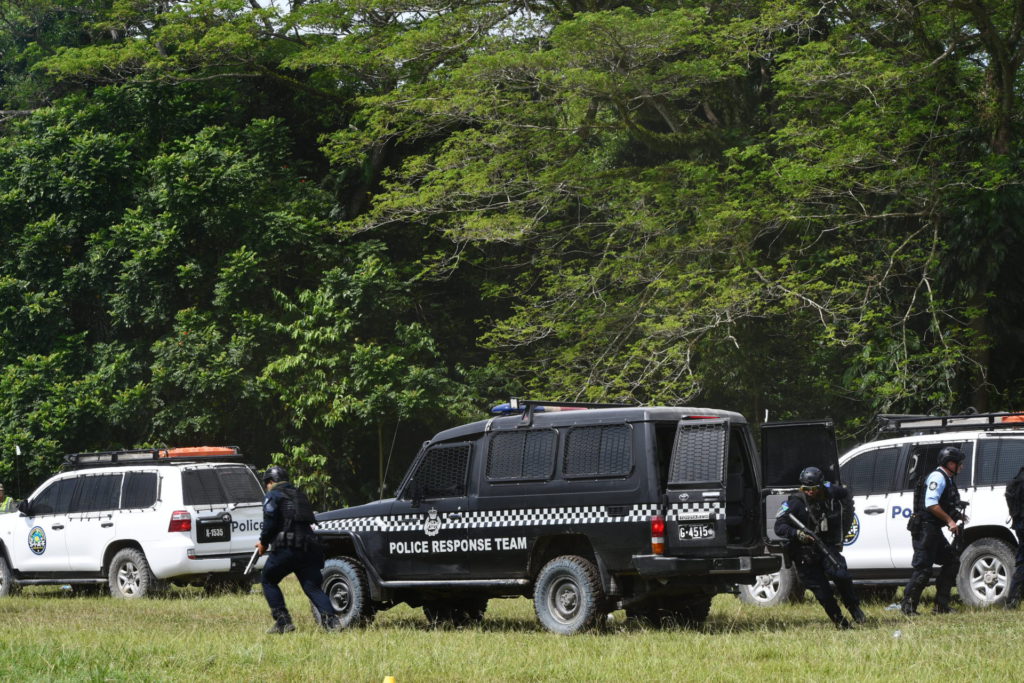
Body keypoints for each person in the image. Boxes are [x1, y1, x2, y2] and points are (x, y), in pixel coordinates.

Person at [774, 466, 864, 629]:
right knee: (823, 592)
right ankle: (840, 622)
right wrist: (798, 534)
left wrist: (829, 488)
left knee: (842, 575)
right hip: (804, 554)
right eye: (806, 489)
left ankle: (854, 608)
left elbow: (844, 493)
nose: (809, 492)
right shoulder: (795, 503)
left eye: (814, 488)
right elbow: (779, 527)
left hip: (825, 546)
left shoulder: (829, 493)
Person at [257, 465, 339, 633]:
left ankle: (283, 622)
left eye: (267, 484)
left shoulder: (273, 495)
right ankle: (332, 622)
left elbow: (270, 523)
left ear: (271, 482)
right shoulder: (299, 494)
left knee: (268, 580)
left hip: (288, 548)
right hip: (309, 547)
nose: (267, 487)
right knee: (312, 587)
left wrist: (263, 543)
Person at [900, 446, 966, 616]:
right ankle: (908, 608)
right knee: (923, 569)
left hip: (933, 529)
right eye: (959, 463)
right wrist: (950, 520)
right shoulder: (938, 477)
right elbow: (931, 504)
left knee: (951, 561)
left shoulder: (948, 478)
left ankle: (941, 605)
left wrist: (957, 515)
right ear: (950, 463)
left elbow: (944, 503)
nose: (962, 467)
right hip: (924, 529)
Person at [1004, 465, 1024, 609]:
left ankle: (1013, 600)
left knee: (1021, 562)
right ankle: (1012, 601)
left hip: (1019, 525)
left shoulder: (1015, 481)